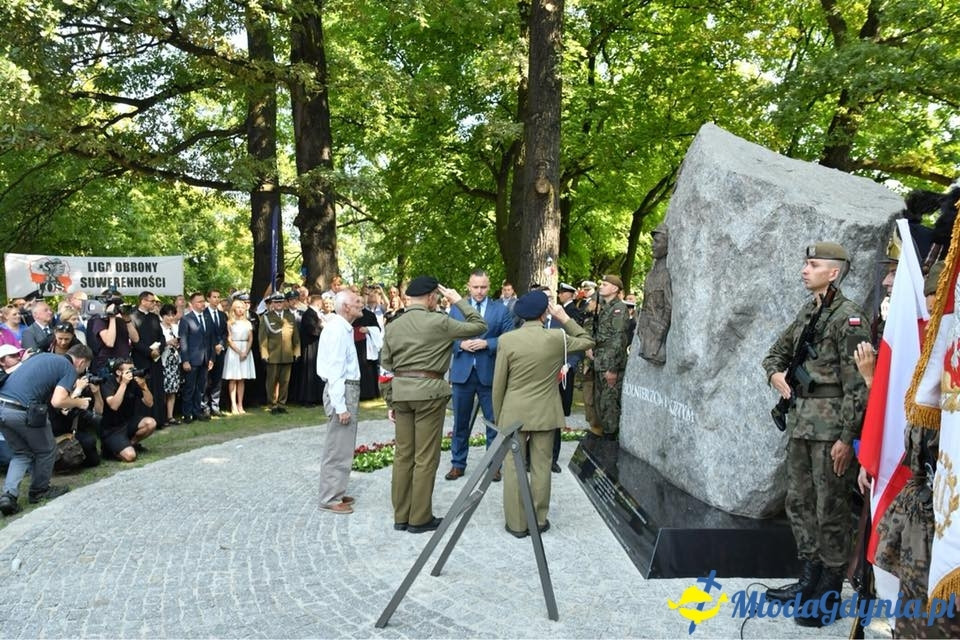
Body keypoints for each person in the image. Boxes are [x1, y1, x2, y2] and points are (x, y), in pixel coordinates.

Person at [761, 242, 870, 628]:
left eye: (814, 264)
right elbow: (775, 353)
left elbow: (860, 384)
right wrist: (775, 374)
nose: (805, 269)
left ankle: (828, 591)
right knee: (800, 503)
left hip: (831, 430)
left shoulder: (850, 319)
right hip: (802, 422)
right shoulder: (810, 310)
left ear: (834, 272)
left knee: (832, 509)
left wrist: (847, 437)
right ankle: (808, 579)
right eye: (805, 263)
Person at [380, 276, 486, 533]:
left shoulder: (394, 324)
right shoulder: (439, 321)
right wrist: (458, 300)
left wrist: (390, 399)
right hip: (429, 394)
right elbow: (479, 325)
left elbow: (386, 364)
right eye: (436, 297)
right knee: (426, 457)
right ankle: (419, 518)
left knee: (404, 455)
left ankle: (401, 515)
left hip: (402, 393)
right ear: (430, 297)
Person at [494, 291, 594, 537]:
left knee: (514, 467)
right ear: (544, 313)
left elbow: (499, 384)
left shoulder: (507, 340)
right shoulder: (557, 337)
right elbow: (587, 340)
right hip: (546, 412)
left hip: (514, 411)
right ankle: (538, 520)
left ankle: (517, 523)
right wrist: (564, 317)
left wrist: (499, 417)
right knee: (541, 467)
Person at [0, 344, 93, 515]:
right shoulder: (68, 368)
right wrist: (80, 402)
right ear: (81, 362)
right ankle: (39, 491)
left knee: (21, 453)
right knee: (47, 449)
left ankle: (8, 496)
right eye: (84, 367)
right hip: (23, 410)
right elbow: (58, 401)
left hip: (2, 407)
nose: (82, 372)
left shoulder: (42, 357)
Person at [445, 270, 514, 481]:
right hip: (462, 374)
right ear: (468, 286)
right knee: (460, 423)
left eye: (483, 287)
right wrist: (460, 344)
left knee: (493, 422)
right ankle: (458, 464)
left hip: (490, 373)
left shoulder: (501, 310)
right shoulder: (456, 310)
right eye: (475, 287)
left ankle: (493, 465)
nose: (479, 291)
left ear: (489, 285)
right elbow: (446, 336)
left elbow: (510, 339)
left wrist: (488, 343)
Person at [315, 290, 364, 514]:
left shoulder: (343, 328)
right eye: (356, 302)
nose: (361, 303)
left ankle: (336, 490)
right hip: (342, 390)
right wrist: (341, 406)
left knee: (344, 446)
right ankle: (330, 497)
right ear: (345, 307)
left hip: (347, 388)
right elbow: (334, 370)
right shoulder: (336, 330)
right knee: (337, 446)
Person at [588, 275, 630, 438]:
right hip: (601, 361)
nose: (601, 286)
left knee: (609, 405)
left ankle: (611, 442)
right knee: (601, 404)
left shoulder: (619, 308)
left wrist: (613, 368)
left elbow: (619, 340)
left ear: (614, 288)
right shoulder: (606, 307)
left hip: (610, 364)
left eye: (605, 284)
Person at [549, 282, 584, 472]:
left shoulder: (563, 319)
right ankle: (529, 456)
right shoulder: (528, 320)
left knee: (556, 417)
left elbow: (579, 344)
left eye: (550, 298)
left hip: (559, 375)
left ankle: (553, 458)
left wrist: (568, 365)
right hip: (537, 379)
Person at [99, 358, 157, 462]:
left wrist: (144, 386)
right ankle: (110, 450)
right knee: (130, 456)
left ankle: (131, 444)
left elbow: (150, 403)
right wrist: (123, 384)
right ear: (118, 372)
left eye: (133, 369)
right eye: (129, 370)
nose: (132, 372)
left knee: (151, 423)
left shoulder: (133, 382)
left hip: (128, 422)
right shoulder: (108, 382)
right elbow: (114, 406)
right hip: (112, 429)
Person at [258, 292, 300, 414]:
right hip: (273, 354)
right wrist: (264, 354)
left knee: (285, 381)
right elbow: (262, 338)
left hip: (287, 354)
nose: (278, 304)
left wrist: (297, 351)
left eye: (280, 302)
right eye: (276, 302)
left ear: (284, 302)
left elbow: (295, 336)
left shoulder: (289, 316)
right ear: (272, 304)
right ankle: (272, 405)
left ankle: (282, 404)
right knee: (271, 381)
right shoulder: (267, 317)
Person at [129, 291, 166, 426]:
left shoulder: (154, 317)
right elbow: (135, 341)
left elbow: (161, 336)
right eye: (151, 301)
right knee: (144, 387)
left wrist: (159, 349)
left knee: (157, 387)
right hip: (141, 359)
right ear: (143, 301)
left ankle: (159, 419)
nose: (154, 304)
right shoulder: (132, 316)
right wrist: (149, 352)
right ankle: (144, 420)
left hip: (156, 359)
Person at [179, 292, 214, 423]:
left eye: (203, 301)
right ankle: (187, 414)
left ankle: (197, 410)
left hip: (204, 359)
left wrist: (211, 358)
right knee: (189, 388)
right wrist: (185, 360)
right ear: (192, 304)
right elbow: (183, 341)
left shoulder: (207, 318)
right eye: (199, 301)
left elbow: (210, 340)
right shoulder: (186, 319)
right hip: (192, 360)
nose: (202, 303)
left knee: (200, 388)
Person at [223, 299, 255, 415]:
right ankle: (233, 405)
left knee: (242, 379)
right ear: (233, 309)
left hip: (245, 347)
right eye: (238, 307)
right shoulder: (230, 322)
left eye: (242, 307)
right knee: (233, 378)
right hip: (234, 350)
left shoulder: (247, 323)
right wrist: (239, 351)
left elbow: (251, 338)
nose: (240, 309)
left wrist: (246, 351)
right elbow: (229, 339)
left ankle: (240, 404)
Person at [202, 289, 228, 416]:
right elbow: (204, 334)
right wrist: (213, 346)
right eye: (214, 297)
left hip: (220, 351)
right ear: (208, 299)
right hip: (207, 351)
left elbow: (225, 333)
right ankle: (205, 406)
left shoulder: (222, 315)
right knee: (206, 380)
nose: (216, 299)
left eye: (218, 297)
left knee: (217, 380)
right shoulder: (203, 314)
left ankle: (215, 406)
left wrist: (221, 344)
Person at [296, 294, 325, 407]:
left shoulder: (313, 314)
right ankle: (308, 398)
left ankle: (315, 396)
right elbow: (312, 330)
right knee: (309, 372)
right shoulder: (309, 314)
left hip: (315, 346)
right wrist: (322, 327)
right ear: (318, 303)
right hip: (310, 346)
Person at [158, 303, 182, 426]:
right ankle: (161, 417)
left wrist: (178, 344)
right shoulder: (158, 327)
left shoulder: (176, 327)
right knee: (163, 390)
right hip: (163, 361)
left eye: (172, 315)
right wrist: (168, 343)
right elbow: (157, 345)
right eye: (168, 315)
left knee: (172, 390)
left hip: (174, 361)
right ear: (162, 316)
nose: (170, 318)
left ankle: (170, 416)